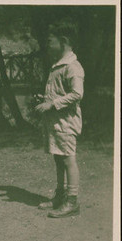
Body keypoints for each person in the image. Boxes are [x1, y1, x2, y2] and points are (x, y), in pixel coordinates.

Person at [35, 22, 84, 218]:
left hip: (66, 122)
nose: (46, 45)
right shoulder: (58, 65)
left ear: (63, 41)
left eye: (49, 41)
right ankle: (60, 195)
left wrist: (52, 104)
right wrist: (45, 99)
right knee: (58, 157)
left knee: (68, 158)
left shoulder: (73, 66)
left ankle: (72, 201)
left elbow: (77, 94)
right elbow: (60, 91)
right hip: (55, 122)